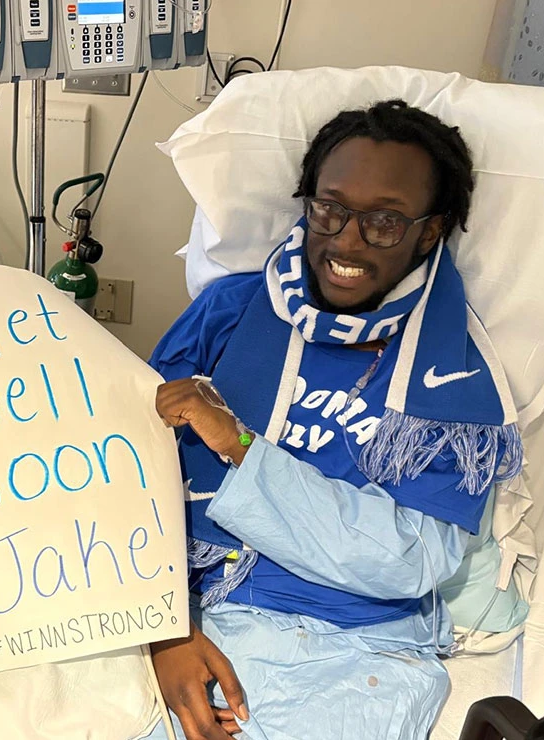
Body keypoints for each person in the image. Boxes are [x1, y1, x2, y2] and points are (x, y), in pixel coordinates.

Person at [144, 100, 523, 740]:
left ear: (430, 231)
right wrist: (165, 628)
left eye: (385, 222)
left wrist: (239, 444)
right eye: (330, 209)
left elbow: (411, 560)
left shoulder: (451, 382)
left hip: (351, 648)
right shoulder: (230, 312)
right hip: (185, 613)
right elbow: (124, 475)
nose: (346, 240)